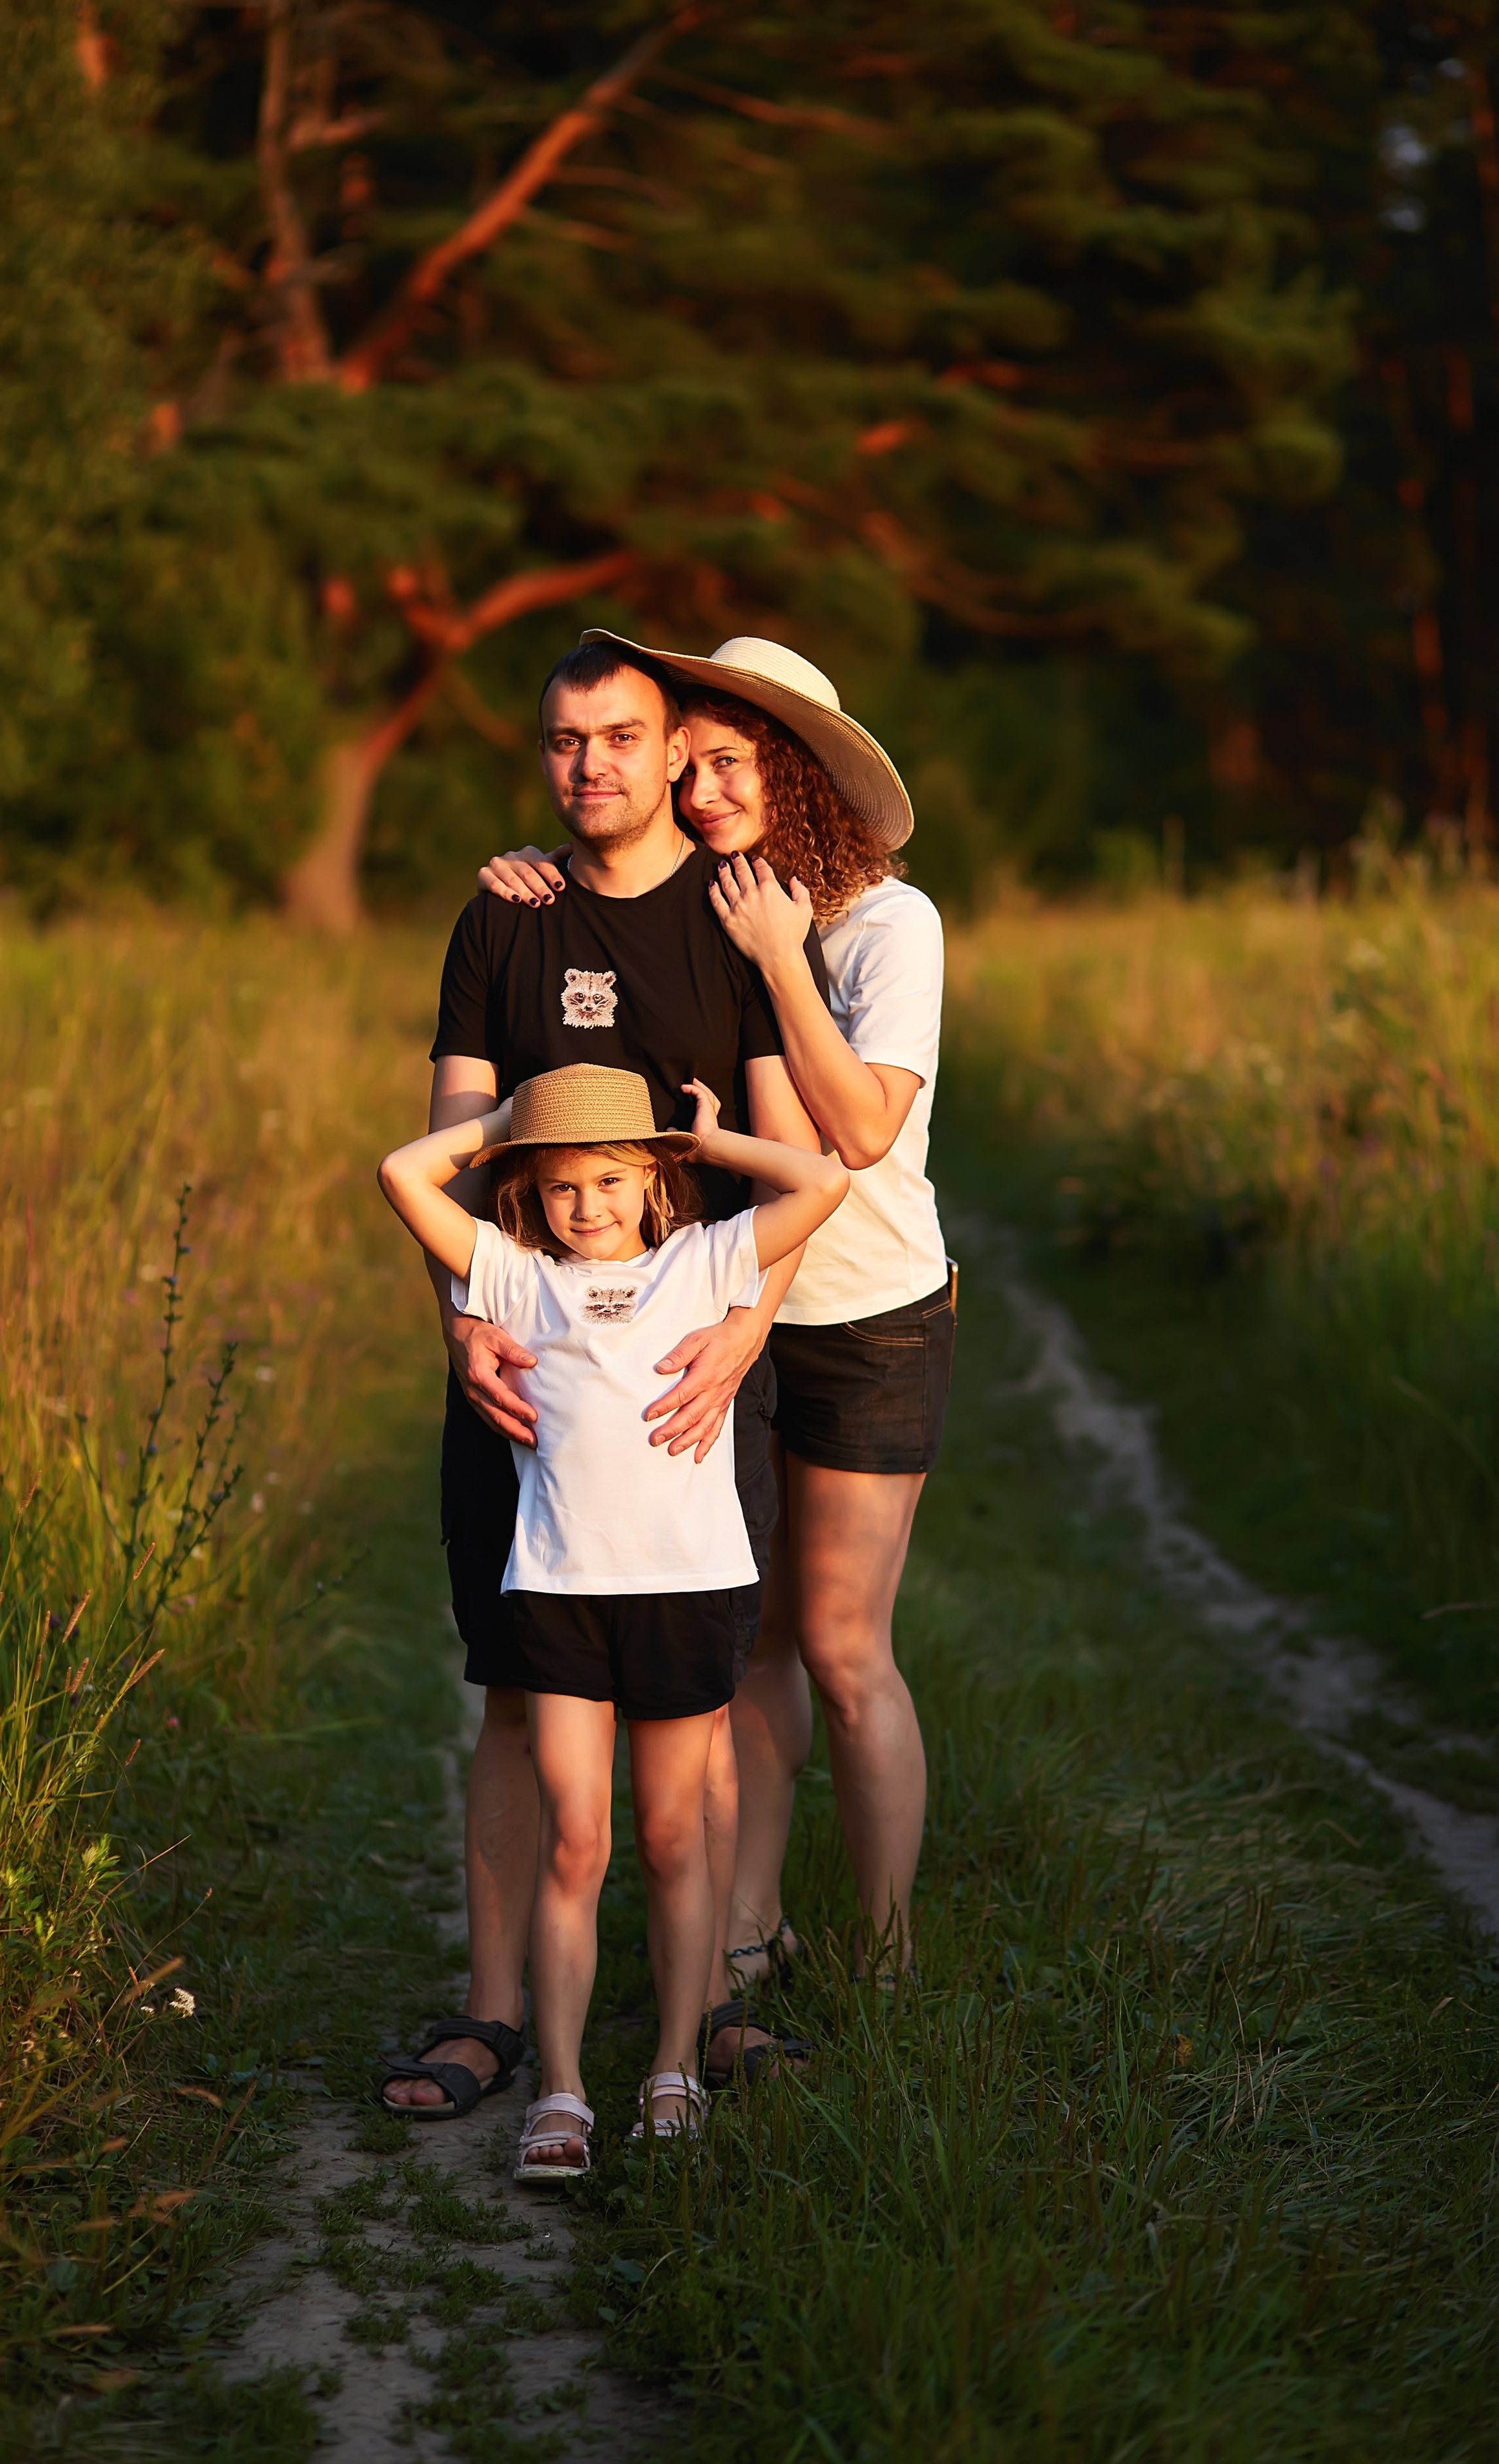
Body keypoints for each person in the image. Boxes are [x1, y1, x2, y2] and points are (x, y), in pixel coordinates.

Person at [378, 642, 828, 2121]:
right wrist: (462, 1320)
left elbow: (779, 1154)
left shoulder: (731, 920)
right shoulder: (501, 919)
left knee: (690, 1714)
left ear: (670, 750)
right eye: (567, 742)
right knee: (516, 1693)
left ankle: (697, 2023)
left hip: (700, 1359)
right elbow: (452, 1133)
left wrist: (746, 1335)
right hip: (524, 1368)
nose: (593, 768)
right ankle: (494, 2016)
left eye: (622, 739)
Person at [479, 633, 952, 2024]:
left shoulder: (883, 925)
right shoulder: (715, 904)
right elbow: (601, 930)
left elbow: (860, 1131)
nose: (698, 795)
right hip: (714, 1312)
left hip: (864, 1317)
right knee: (746, 1638)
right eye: (690, 770)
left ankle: (885, 1952)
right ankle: (750, 1937)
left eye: (728, 766)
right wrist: (532, 870)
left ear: (796, 773)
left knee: (843, 1645)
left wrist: (779, 956)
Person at [376, 1063, 847, 2175]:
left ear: (652, 1185)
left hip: (687, 1591)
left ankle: (675, 2068)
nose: (586, 1206)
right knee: (577, 1842)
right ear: (529, 1201)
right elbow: (401, 1172)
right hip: (560, 1598)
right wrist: (496, 1128)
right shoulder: (512, 1275)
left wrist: (709, 1143)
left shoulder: (702, 1262)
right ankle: (566, 2089)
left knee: (676, 1839)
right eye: (559, 1188)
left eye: (609, 1179)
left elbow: (822, 1181)